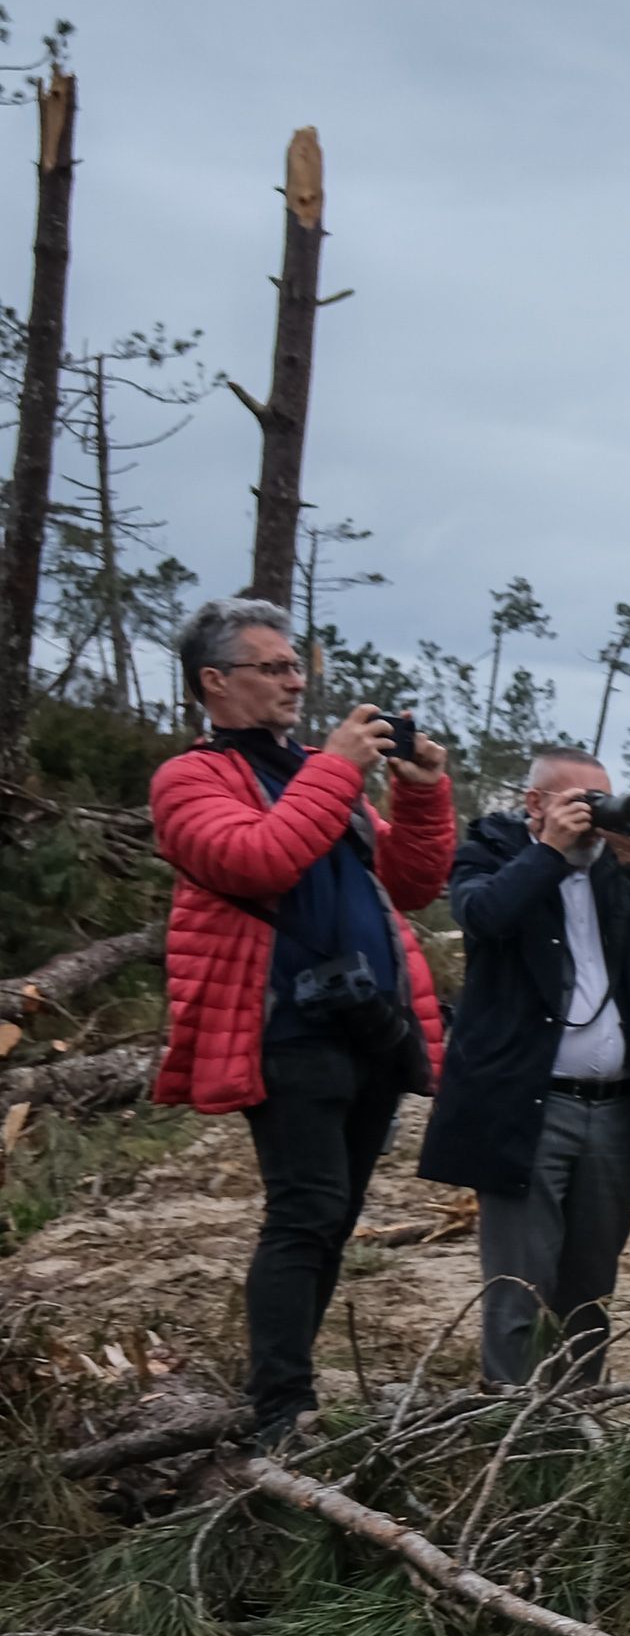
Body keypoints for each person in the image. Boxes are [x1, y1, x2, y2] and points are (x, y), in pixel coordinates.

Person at [145, 600, 456, 1444]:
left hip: (369, 1027)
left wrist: (421, 794)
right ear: (216, 681)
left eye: (295, 667)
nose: (293, 682)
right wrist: (339, 771)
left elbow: (413, 883)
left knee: (336, 1216)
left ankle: (292, 1394)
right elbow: (257, 859)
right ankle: (280, 1409)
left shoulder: (322, 774)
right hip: (282, 1031)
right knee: (306, 1210)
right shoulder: (189, 780)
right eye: (273, 667)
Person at [419, 750, 630, 1387]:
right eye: (581, 800)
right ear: (536, 804)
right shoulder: (491, 853)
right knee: (519, 1286)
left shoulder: (618, 870)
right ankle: (510, 1421)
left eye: (602, 800)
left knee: (590, 1287)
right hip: (527, 1107)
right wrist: (549, 852)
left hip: (616, 1108)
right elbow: (484, 916)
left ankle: (578, 1420)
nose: (594, 815)